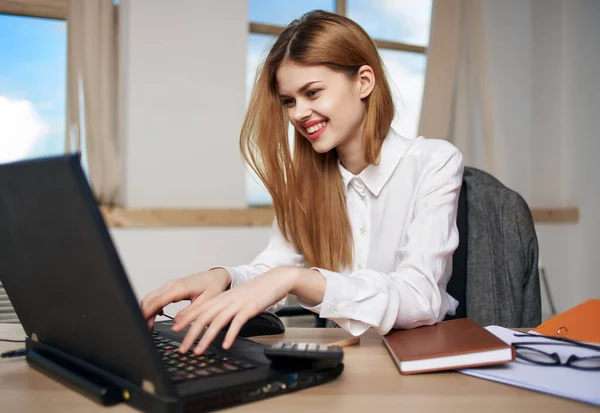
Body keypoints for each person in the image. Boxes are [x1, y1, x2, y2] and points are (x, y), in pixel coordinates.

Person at [141, 10, 464, 356]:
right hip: (346, 358)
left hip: (423, 363)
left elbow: (421, 298)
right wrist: (224, 278)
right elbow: (273, 268)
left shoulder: (435, 161)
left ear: (364, 82)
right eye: (289, 101)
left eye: (312, 92)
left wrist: (294, 279)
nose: (297, 113)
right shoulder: (306, 181)